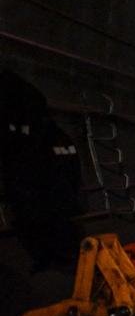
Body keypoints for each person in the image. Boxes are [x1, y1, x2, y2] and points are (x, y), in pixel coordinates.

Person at [0, 68, 84, 270]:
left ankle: (50, 254)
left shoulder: (39, 135)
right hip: (49, 197)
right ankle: (51, 254)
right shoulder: (51, 136)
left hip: (44, 196)